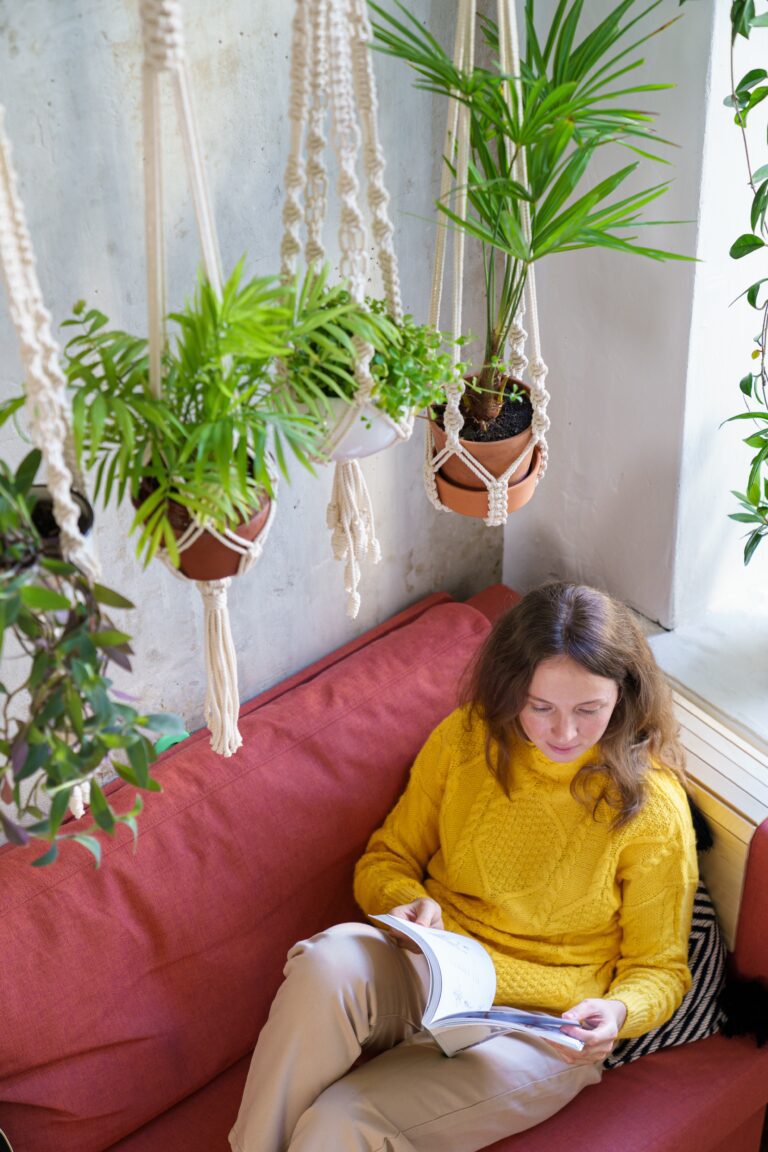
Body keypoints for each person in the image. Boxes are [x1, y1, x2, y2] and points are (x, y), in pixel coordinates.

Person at [229, 582, 698, 1152]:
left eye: (589, 711)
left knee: (343, 1120)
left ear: (623, 697)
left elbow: (661, 969)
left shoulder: (651, 809)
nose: (564, 733)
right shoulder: (469, 737)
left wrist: (619, 1011)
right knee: (325, 963)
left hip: (536, 1028)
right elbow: (386, 859)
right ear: (511, 689)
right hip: (436, 971)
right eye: (541, 707)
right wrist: (402, 899)